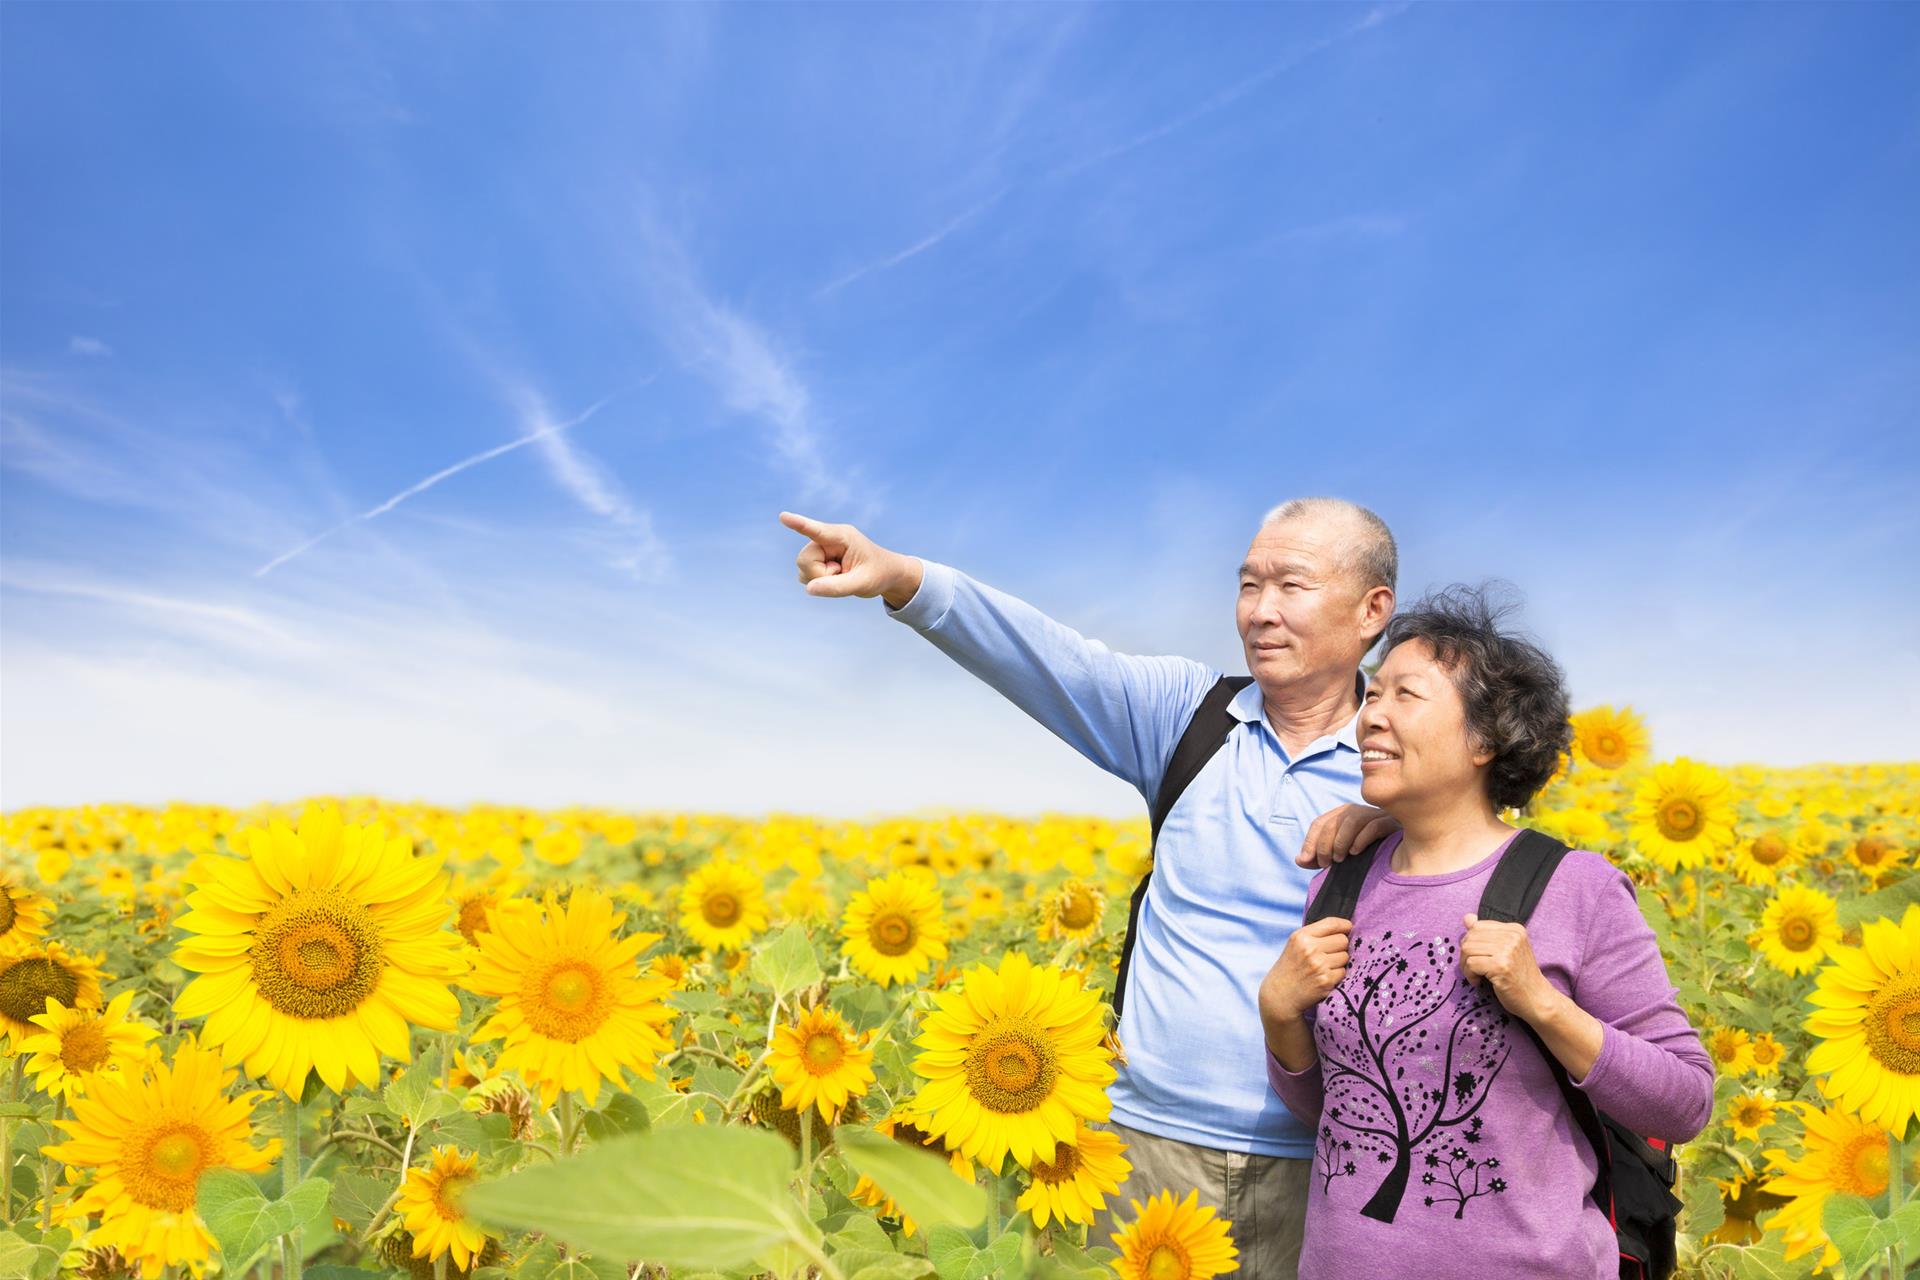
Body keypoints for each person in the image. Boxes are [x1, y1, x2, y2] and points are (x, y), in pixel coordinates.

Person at [782, 498, 1403, 1277]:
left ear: (1372, 609)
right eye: (1249, 585)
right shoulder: (1188, 717)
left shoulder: (1409, 757)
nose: (1261, 612)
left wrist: (1406, 822)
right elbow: (1052, 660)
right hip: (1144, 1148)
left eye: (1292, 586)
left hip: (1332, 1161)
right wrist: (903, 579)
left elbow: (1493, 865)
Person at [1259, 585, 1714, 1279]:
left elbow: (1684, 1102)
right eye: (1371, 696)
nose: (1370, 718)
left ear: (1486, 738)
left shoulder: (1574, 888)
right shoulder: (1341, 883)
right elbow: (1337, 1116)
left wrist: (1543, 1004)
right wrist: (1280, 1014)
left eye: (1403, 696)